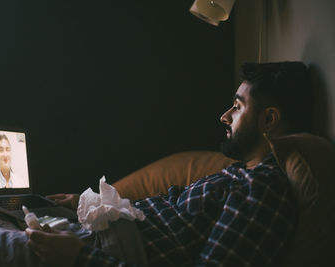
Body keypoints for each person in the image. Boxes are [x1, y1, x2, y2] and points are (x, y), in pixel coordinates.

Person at [25, 61, 313, 266]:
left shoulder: (263, 191)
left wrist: (79, 259)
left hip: (99, 251)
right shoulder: (240, 172)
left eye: (237, 107)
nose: (225, 116)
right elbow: (168, 214)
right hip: (96, 235)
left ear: (269, 120)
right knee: (1, 220)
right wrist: (91, 203)